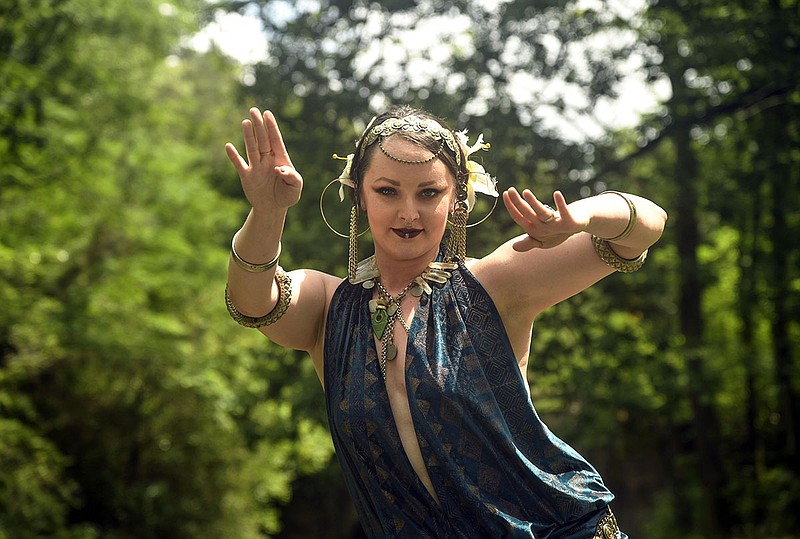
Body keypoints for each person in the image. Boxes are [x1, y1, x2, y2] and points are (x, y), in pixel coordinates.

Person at [224, 105, 667, 538]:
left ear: (458, 200)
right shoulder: (329, 306)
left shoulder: (496, 282)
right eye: (387, 191)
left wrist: (582, 216)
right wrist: (267, 213)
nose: (408, 212)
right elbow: (252, 301)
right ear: (359, 194)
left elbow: (646, 227)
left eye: (429, 193)